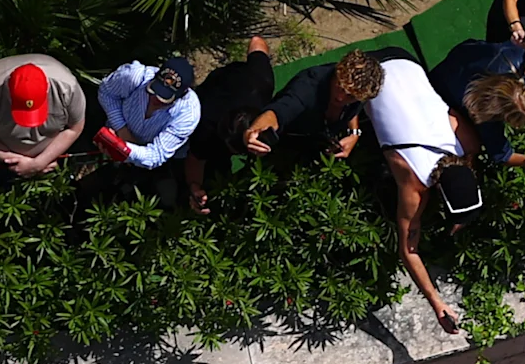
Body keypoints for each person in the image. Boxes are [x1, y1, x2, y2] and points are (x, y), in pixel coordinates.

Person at [362, 51, 478, 334]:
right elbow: (408, 250)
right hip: (366, 72)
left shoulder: (467, 142)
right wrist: (437, 303)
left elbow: (467, 159)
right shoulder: (413, 183)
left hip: (406, 60)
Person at [178, 37, 280, 213]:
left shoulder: (261, 82)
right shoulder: (204, 124)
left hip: (237, 78)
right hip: (210, 90)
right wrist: (194, 186)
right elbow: (195, 159)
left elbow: (257, 41)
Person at [432, 37, 525, 172]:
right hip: (439, 95)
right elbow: (504, 157)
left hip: (450, 65)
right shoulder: (486, 120)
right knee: (473, 146)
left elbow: (523, 64)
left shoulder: (508, 58)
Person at [0, 51, 84, 184]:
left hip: (52, 159)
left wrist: (38, 163)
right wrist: (17, 163)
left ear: (47, 88)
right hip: (7, 161)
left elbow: (75, 128)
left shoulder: (67, 87)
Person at [240, 51, 371, 168]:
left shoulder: (362, 89)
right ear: (337, 72)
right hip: (289, 137)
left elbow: (354, 107)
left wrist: (354, 133)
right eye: (340, 87)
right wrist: (254, 130)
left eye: (351, 96)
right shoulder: (306, 89)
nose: (341, 98)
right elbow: (278, 112)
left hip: (316, 136)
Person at [88, 54, 197, 193]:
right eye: (153, 90)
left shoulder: (188, 114)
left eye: (164, 98)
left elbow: (156, 154)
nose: (155, 98)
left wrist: (123, 149)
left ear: (181, 97)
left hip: (148, 156)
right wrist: (121, 129)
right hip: (114, 132)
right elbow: (106, 93)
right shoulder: (133, 76)